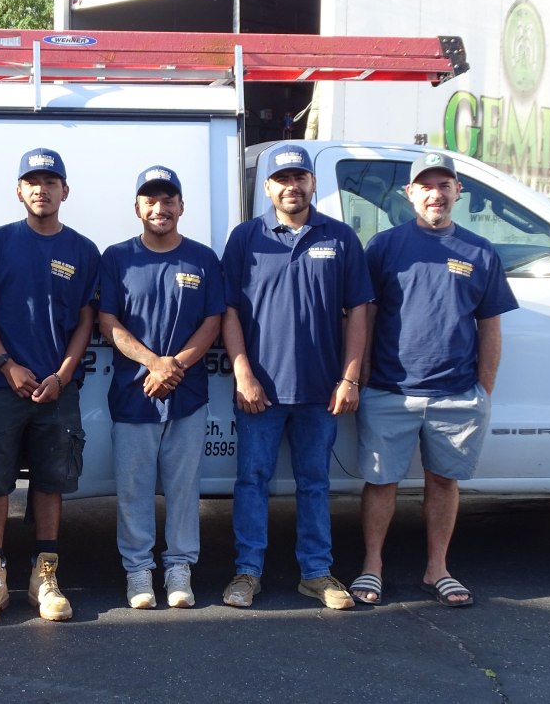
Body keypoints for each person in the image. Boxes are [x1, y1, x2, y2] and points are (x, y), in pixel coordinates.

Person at [350, 151, 517, 608]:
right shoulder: (384, 247)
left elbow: (490, 325)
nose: (435, 194)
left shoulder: (481, 251)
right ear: (410, 193)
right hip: (390, 390)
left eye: (444, 185)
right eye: (426, 185)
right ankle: (372, 566)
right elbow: (365, 314)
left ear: (458, 193)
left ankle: (437, 568)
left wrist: (484, 388)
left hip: (456, 393)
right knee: (381, 481)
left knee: (443, 481)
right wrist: (361, 374)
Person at [221, 144, 371, 611]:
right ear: (267, 187)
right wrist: (242, 372)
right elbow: (227, 311)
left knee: (315, 484)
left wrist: (349, 379)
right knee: (251, 482)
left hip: (320, 391)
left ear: (312, 183)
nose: (291, 186)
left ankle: (316, 573)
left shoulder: (341, 238)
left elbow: (360, 311)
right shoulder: (245, 238)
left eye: (299, 177)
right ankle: (247, 573)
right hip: (259, 392)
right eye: (281, 179)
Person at [0, 148, 99, 623]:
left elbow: (86, 320)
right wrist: (7, 366)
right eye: (32, 181)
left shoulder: (83, 250)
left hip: (58, 388)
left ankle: (44, 577)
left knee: (51, 481)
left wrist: (62, 375)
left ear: (66, 190)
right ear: (18, 191)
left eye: (50, 181)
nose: (41, 189)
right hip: (3, 385)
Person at [99, 166, 224, 609]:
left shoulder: (203, 259)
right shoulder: (117, 258)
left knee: (184, 489)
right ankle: (138, 572)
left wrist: (175, 366)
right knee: (133, 489)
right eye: (151, 200)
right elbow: (108, 321)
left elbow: (213, 321)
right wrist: (154, 363)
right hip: (134, 395)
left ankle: (178, 568)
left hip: (187, 397)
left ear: (182, 207)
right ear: (138, 208)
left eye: (168, 200)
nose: (160, 208)